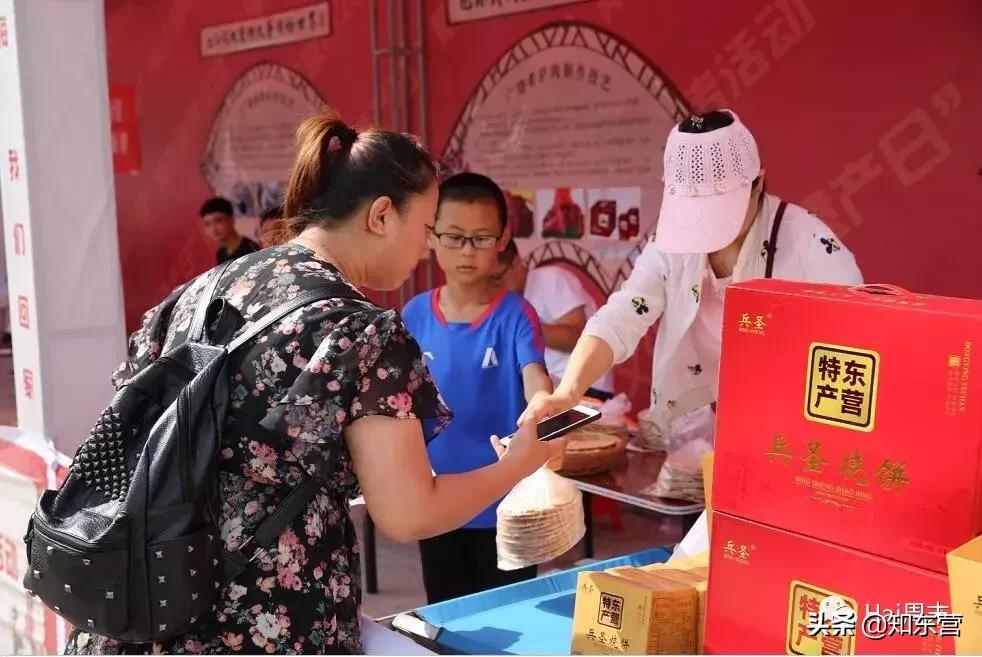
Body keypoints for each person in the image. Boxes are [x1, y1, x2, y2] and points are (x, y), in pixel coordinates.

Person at [66, 111, 563, 655]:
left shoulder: (205, 288)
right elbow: (409, 513)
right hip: (258, 621)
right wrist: (518, 462)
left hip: (142, 601)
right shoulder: (361, 331)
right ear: (380, 216)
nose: (426, 250)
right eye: (426, 230)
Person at [521, 110, 863, 443]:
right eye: (695, 215)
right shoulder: (672, 241)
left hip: (788, 430)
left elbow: (859, 342)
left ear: (759, 183)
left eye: (718, 213)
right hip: (694, 428)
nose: (706, 231)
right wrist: (568, 391)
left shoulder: (807, 243)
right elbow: (623, 314)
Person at [401, 172, 554, 604]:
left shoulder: (517, 315)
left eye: (482, 238)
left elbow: (535, 377)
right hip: (439, 502)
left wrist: (544, 403)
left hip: (509, 502)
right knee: (448, 617)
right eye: (454, 237)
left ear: (504, 238)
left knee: (516, 619)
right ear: (431, 236)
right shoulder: (414, 316)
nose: (467, 251)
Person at [492, 241, 615, 400]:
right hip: (547, 390)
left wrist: (522, 326)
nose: (494, 287)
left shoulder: (551, 278)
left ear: (516, 262)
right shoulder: (509, 301)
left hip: (586, 389)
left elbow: (576, 337)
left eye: (496, 278)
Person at [200, 196, 260, 264]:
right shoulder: (221, 253)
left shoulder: (250, 249)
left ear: (231, 219)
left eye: (218, 221)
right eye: (207, 224)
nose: (213, 229)